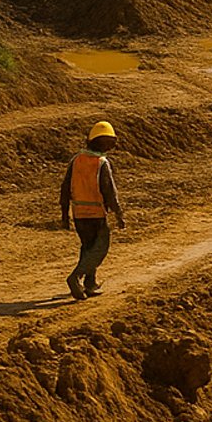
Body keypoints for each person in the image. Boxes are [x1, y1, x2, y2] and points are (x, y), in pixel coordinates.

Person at [59, 120, 126, 300]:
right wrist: (119, 213)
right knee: (100, 248)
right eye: (110, 141)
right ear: (101, 142)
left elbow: (65, 187)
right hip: (96, 213)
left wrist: (64, 214)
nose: (113, 144)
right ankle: (76, 277)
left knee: (88, 247)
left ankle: (89, 284)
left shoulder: (76, 160)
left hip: (79, 214)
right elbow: (109, 191)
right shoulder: (101, 163)